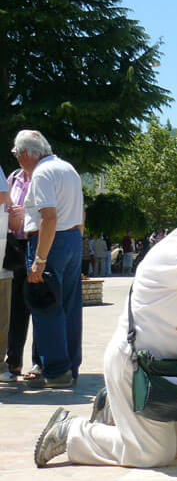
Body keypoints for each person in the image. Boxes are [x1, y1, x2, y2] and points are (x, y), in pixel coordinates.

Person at [33, 208, 177, 468]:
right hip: (136, 365)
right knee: (152, 454)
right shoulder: (172, 254)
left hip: (174, 371)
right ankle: (72, 432)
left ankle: (113, 409)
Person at [14, 130, 84, 388]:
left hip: (50, 242)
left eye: (17, 154)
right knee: (69, 306)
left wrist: (40, 259)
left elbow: (49, 217)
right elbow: (80, 213)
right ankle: (69, 367)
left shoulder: (41, 174)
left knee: (46, 306)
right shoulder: (68, 169)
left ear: (26, 153)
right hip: (72, 239)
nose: (18, 160)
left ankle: (56, 371)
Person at [2, 162, 41, 382]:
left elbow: (47, 211)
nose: (17, 156)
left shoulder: (43, 177)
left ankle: (38, 363)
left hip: (35, 244)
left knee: (37, 306)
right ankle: (13, 361)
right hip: (15, 246)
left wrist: (26, 214)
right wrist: (11, 216)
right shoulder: (13, 177)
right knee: (16, 308)